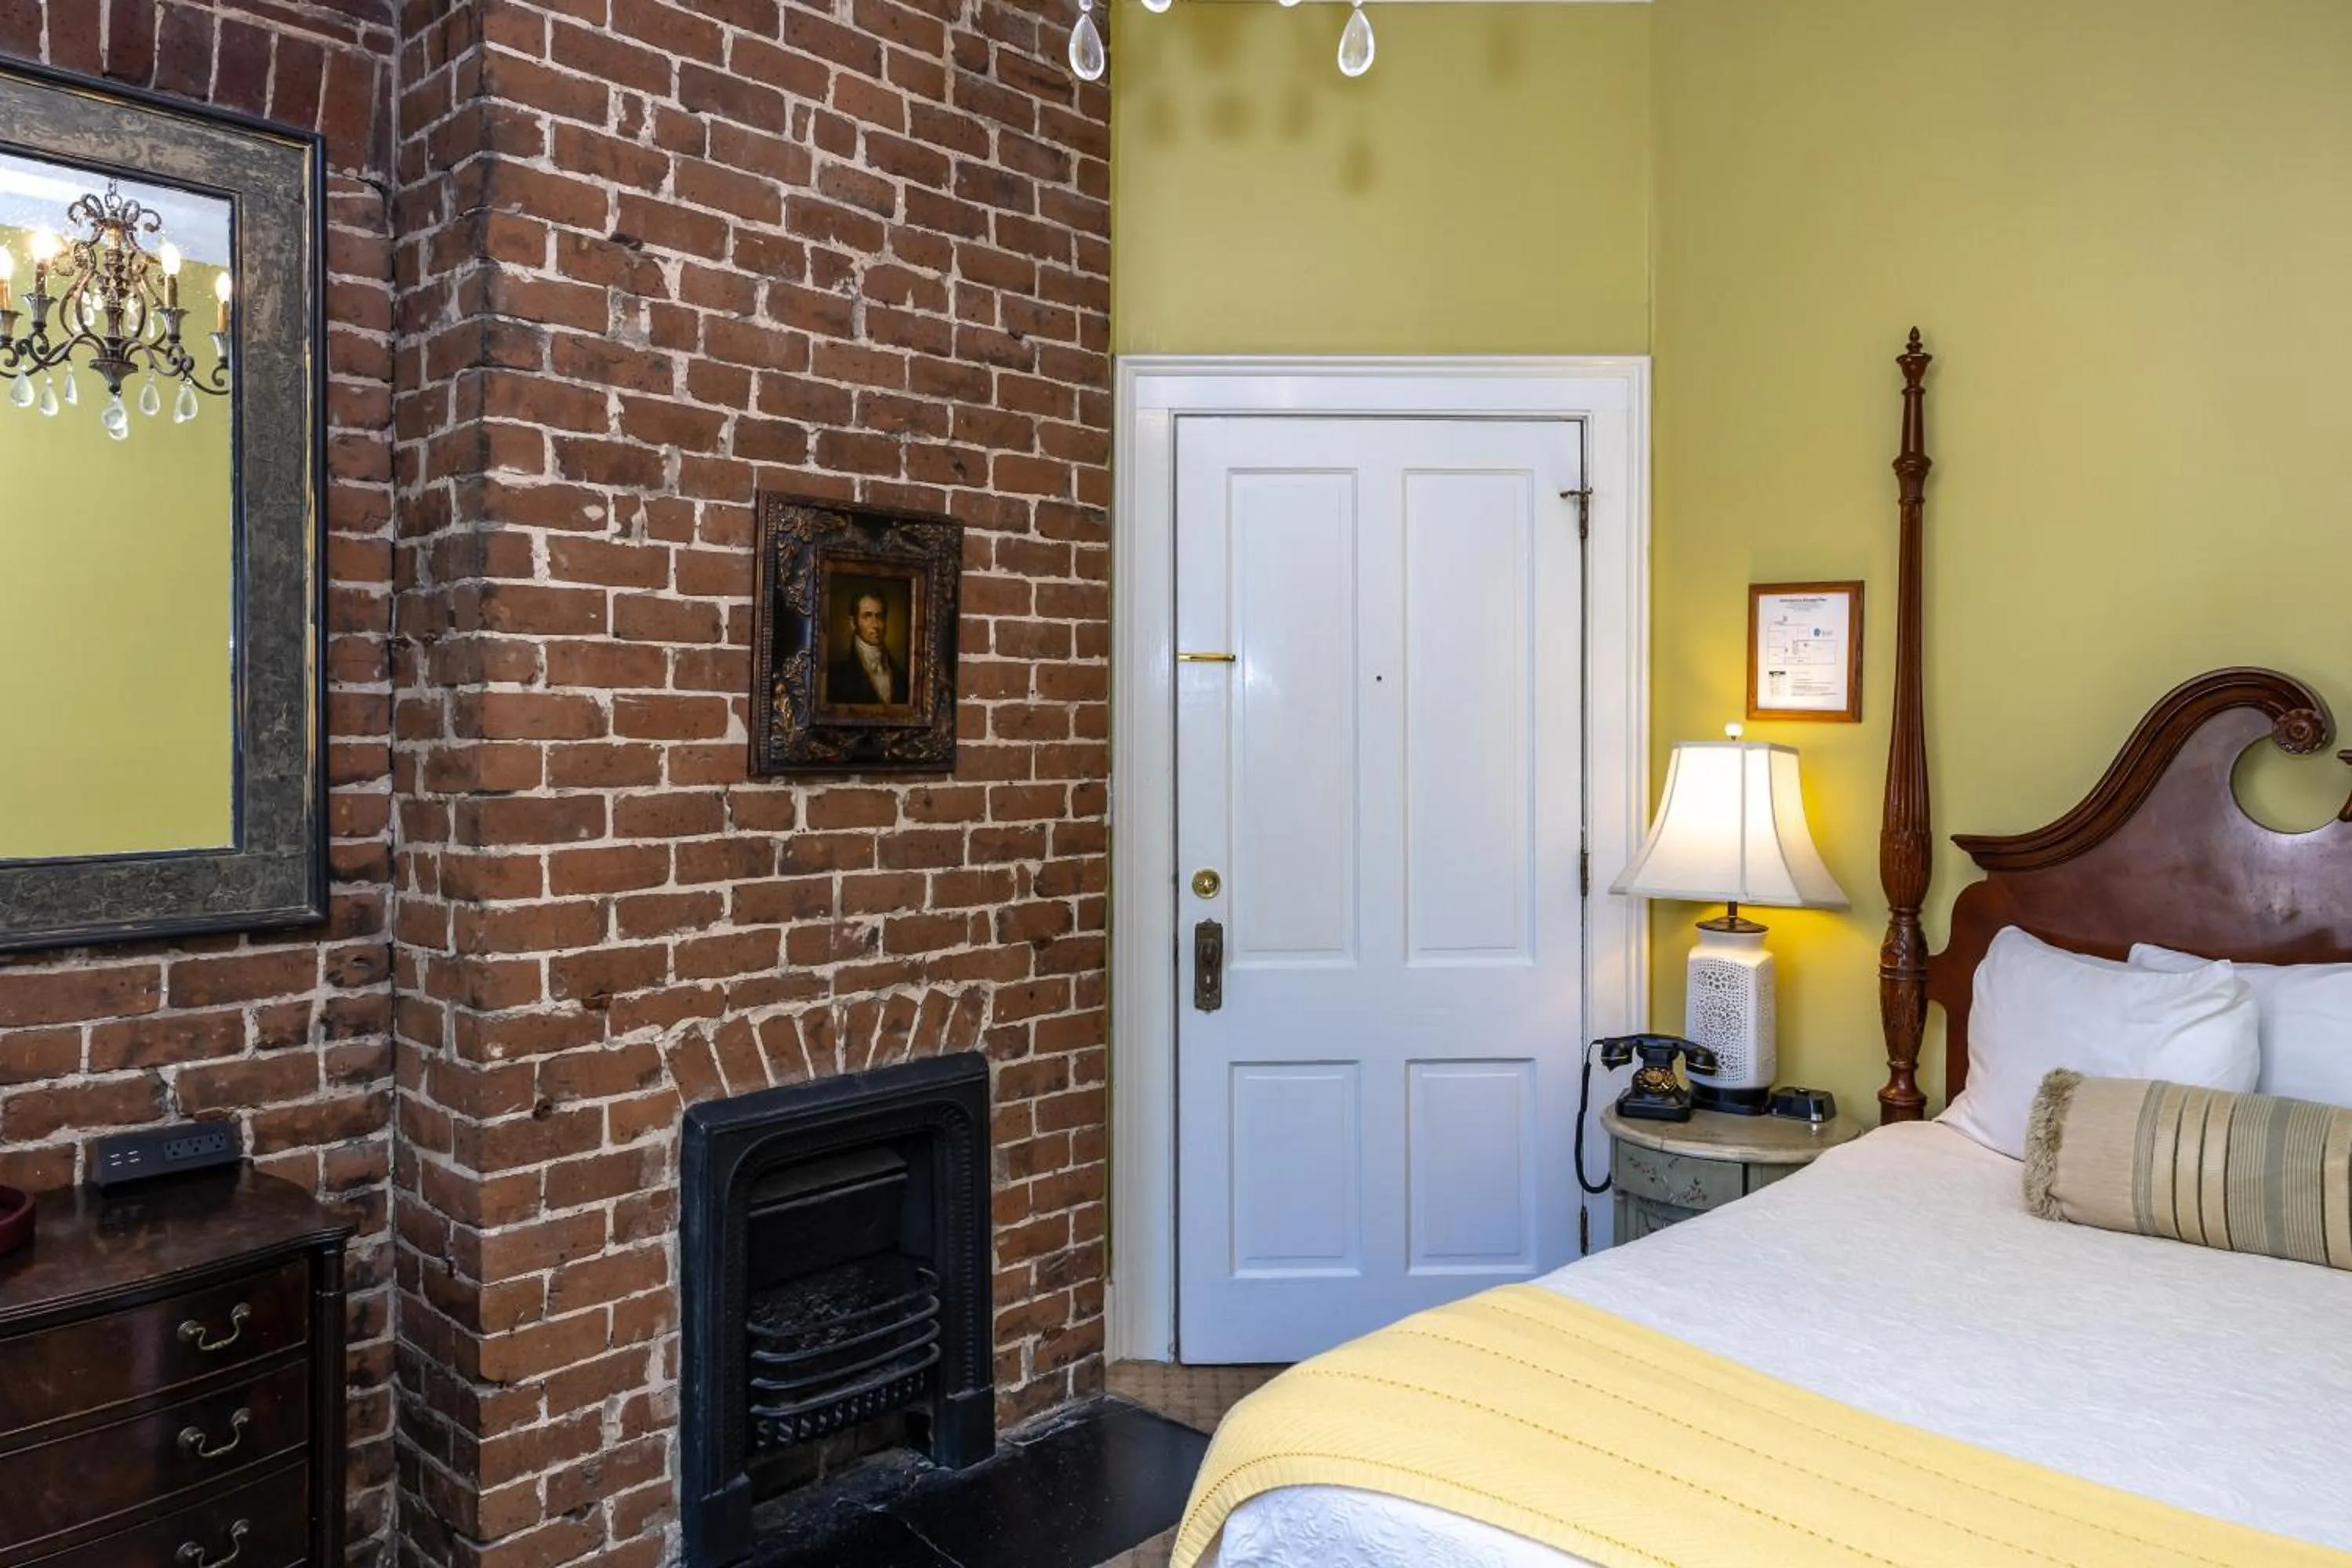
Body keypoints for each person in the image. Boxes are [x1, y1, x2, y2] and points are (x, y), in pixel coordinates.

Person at [827, 588, 909, 706]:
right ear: (853, 623)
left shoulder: (901, 677)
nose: (875, 625)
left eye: (879, 616)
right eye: (867, 616)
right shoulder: (836, 675)